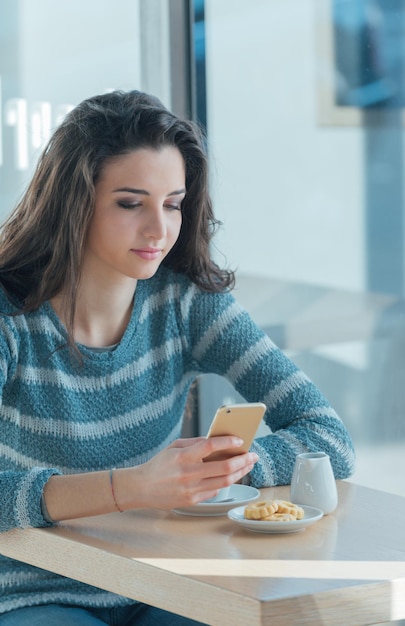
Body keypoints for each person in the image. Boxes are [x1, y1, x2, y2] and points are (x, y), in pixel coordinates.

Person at [0, 90, 355, 625]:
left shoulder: (187, 303)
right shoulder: (11, 320)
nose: (159, 230)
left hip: (160, 584)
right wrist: (132, 488)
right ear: (75, 202)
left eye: (172, 204)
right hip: (33, 593)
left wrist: (214, 471)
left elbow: (328, 437)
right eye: (130, 202)